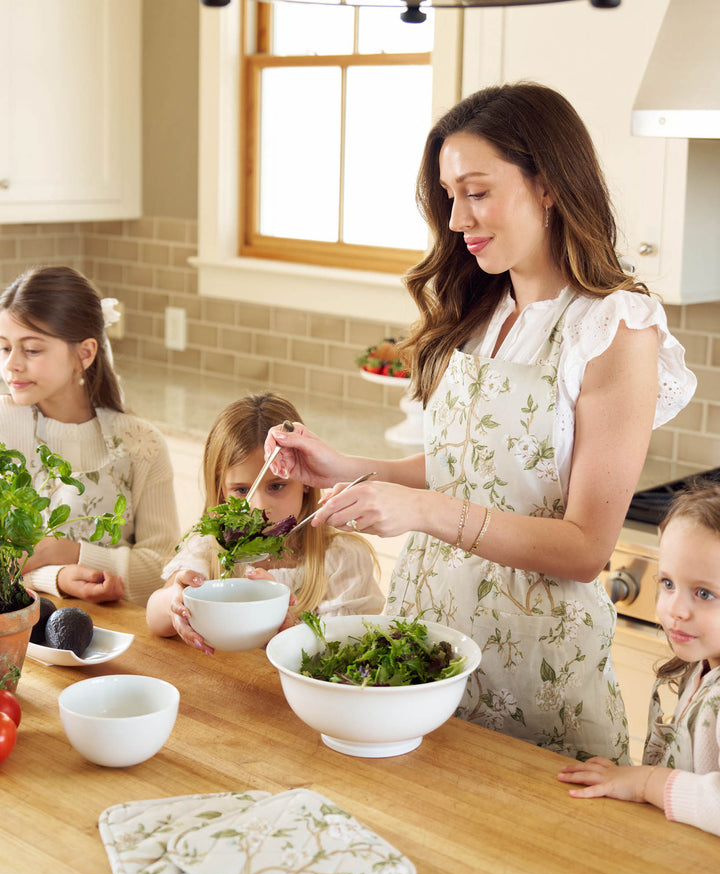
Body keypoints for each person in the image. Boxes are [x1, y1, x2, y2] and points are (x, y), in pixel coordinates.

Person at [263, 82, 697, 761]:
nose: (458, 218)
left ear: (548, 184)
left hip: (538, 668)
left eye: (477, 192)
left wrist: (422, 511)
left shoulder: (614, 327)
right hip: (428, 642)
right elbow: (473, 470)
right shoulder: (480, 312)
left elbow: (586, 547)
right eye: (448, 195)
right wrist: (348, 467)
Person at [146, 392, 385, 653]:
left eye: (277, 486)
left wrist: (291, 627)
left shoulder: (342, 559)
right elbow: (155, 620)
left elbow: (346, 651)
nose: (259, 507)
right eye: (241, 490)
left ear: (306, 480)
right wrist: (174, 601)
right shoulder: (207, 547)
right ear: (220, 490)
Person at [0, 265, 179, 605]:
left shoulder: (142, 444)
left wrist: (69, 552)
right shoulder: (3, 427)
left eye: (32, 350)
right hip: (19, 628)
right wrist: (56, 577)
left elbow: (165, 569)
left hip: (119, 631)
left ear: (84, 353)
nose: (11, 365)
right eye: (5, 347)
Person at [558, 481, 720, 837]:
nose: (675, 609)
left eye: (704, 593)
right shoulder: (703, 665)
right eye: (668, 583)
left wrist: (646, 783)